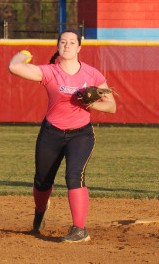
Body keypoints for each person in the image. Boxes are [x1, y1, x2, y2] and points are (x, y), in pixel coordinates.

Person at [8, 29, 116, 243]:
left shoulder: (92, 74)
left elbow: (111, 106)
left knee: (74, 176)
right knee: (42, 181)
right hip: (51, 133)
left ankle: (79, 229)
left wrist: (91, 102)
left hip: (81, 135)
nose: (67, 45)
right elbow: (14, 67)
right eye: (63, 42)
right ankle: (40, 212)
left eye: (72, 42)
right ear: (58, 47)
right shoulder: (50, 72)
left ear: (79, 47)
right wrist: (23, 53)